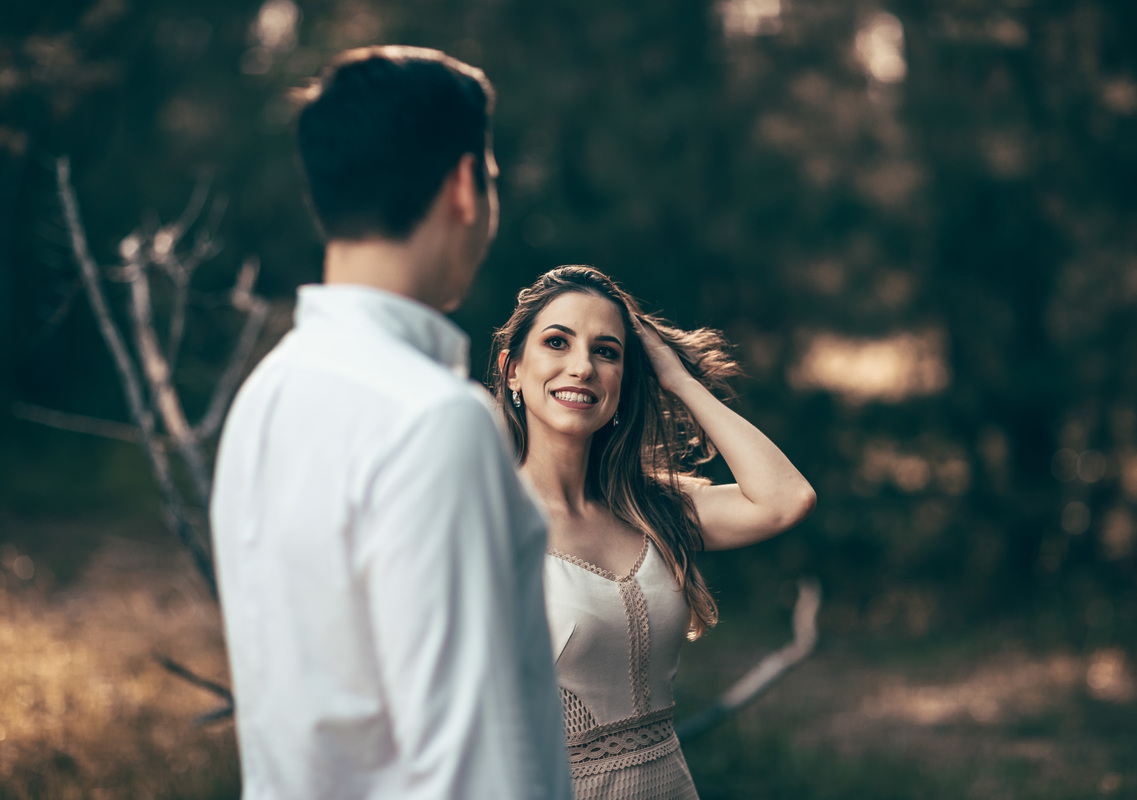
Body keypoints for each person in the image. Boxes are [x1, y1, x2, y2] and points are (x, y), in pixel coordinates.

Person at [210, 47, 572, 800]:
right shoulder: (435, 421)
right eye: (494, 178)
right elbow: (478, 768)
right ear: (466, 186)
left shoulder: (267, 393)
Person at [490, 265, 817, 799]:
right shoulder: (489, 523)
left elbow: (787, 499)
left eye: (607, 351)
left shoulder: (652, 506)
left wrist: (678, 378)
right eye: (557, 342)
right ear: (512, 371)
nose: (582, 368)